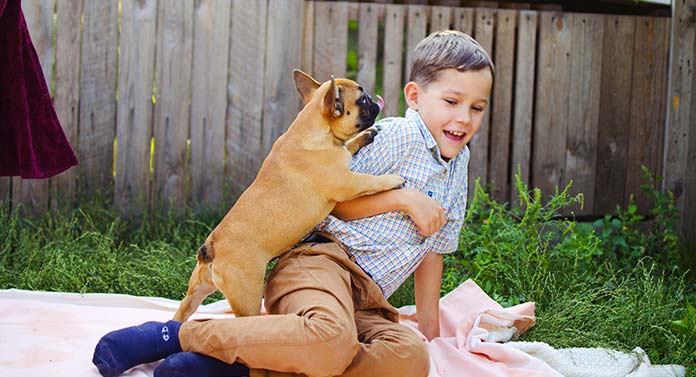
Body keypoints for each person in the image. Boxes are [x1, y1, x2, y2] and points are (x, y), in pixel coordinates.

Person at [92, 30, 494, 377]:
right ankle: (176, 335)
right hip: (319, 265)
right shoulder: (395, 136)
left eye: (477, 108)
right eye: (452, 102)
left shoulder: (460, 164)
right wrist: (405, 199)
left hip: (366, 299)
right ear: (415, 96)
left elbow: (433, 251)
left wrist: (432, 334)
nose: (464, 119)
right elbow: (334, 200)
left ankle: (233, 367)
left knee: (409, 358)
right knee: (332, 339)